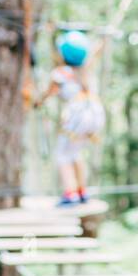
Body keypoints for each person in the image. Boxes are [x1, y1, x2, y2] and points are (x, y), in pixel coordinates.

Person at [34, 29, 106, 207]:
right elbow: (96, 51)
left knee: (62, 155)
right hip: (94, 112)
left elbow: (47, 94)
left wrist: (38, 102)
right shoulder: (85, 68)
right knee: (75, 153)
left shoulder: (60, 73)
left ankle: (70, 193)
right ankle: (82, 191)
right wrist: (104, 38)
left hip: (77, 115)